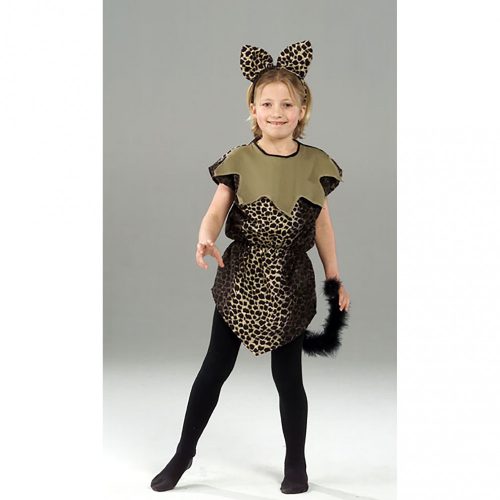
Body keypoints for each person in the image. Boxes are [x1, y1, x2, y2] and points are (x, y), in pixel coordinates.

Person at [150, 40, 351, 494]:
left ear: (302, 110)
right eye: (267, 104)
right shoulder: (238, 160)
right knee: (214, 368)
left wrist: (334, 277)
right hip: (241, 279)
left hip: (290, 282)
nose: (277, 112)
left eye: (287, 104)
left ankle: (296, 462)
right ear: (253, 109)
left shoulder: (317, 165)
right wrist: (205, 236)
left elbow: (323, 226)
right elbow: (216, 211)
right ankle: (183, 453)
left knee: (289, 379)